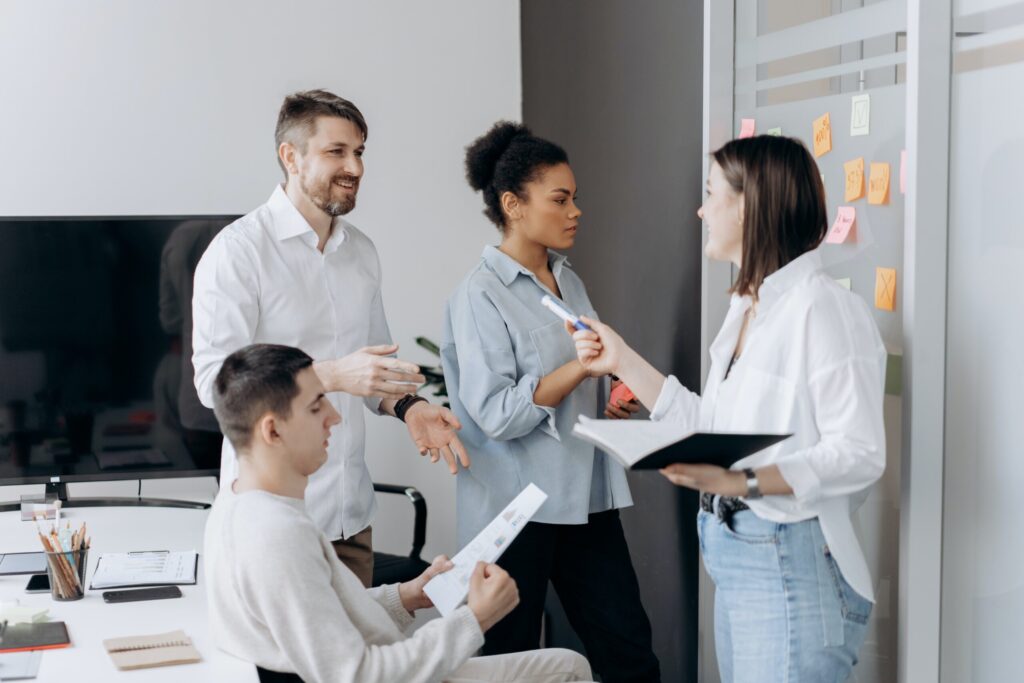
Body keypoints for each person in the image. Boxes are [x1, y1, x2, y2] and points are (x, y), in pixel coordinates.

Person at [571, 135, 886, 682]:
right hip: (734, 551)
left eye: (710, 192)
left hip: (789, 556)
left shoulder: (824, 308)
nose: (700, 208)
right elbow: (713, 431)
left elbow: (860, 452)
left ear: (748, 205)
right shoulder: (746, 307)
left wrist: (745, 483)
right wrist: (621, 360)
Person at [192, 90, 469, 587]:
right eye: (336, 151)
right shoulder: (237, 253)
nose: (355, 167)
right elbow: (216, 385)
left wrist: (411, 409)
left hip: (351, 520)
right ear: (290, 157)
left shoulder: (361, 253)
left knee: (358, 664)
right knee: (286, 669)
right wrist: (334, 374)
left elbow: (376, 372)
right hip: (274, 525)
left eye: (359, 152)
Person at [204, 343, 594, 683]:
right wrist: (474, 620)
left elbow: (325, 618)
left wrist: (408, 596)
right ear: (272, 431)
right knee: (571, 668)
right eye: (316, 405)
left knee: (568, 663)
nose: (335, 418)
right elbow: (357, 675)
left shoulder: (237, 505)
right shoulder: (277, 536)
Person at [441, 122, 660, 682]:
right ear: (513, 204)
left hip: (587, 497)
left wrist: (608, 395)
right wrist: (579, 369)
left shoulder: (569, 280)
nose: (575, 210)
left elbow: (579, 379)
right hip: (516, 510)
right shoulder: (479, 296)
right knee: (509, 662)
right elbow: (496, 414)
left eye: (575, 198)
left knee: (628, 649)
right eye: (560, 199)